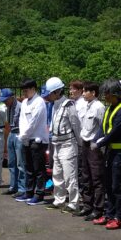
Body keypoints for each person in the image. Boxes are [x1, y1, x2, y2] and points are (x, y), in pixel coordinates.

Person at [92, 79, 121, 229]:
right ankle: (109, 214)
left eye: (107, 93)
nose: (105, 96)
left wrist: (100, 143)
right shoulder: (110, 108)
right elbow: (103, 129)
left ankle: (118, 217)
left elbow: (115, 131)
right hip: (109, 151)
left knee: (117, 186)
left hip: (119, 152)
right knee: (108, 184)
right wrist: (96, 140)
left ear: (115, 94)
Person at [46, 76, 81, 212]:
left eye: (50, 93)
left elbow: (76, 125)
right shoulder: (54, 105)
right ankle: (59, 200)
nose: (48, 96)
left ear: (57, 92)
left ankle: (73, 203)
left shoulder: (69, 105)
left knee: (70, 176)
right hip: (57, 144)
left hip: (68, 144)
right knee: (57, 174)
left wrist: (79, 144)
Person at [16, 79, 49, 205]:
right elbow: (22, 120)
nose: (24, 93)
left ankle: (39, 194)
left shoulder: (39, 102)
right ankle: (29, 192)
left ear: (34, 89)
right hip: (26, 139)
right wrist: (23, 136)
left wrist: (23, 135)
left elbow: (33, 122)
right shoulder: (24, 102)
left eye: (26, 90)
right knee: (28, 167)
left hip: (38, 140)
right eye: (23, 91)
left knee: (38, 169)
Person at [77, 81, 105, 219]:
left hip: (94, 145)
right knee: (85, 176)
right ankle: (88, 206)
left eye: (85, 91)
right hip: (85, 143)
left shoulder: (99, 107)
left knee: (96, 178)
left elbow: (102, 127)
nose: (83, 94)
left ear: (93, 93)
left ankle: (98, 208)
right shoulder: (87, 105)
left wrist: (98, 144)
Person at [1, 90, 23, 196]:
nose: (4, 102)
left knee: (20, 163)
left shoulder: (20, 106)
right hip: (11, 132)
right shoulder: (8, 107)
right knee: (11, 162)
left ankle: (22, 188)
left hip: (19, 133)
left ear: (11, 97)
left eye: (6, 100)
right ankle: (13, 186)